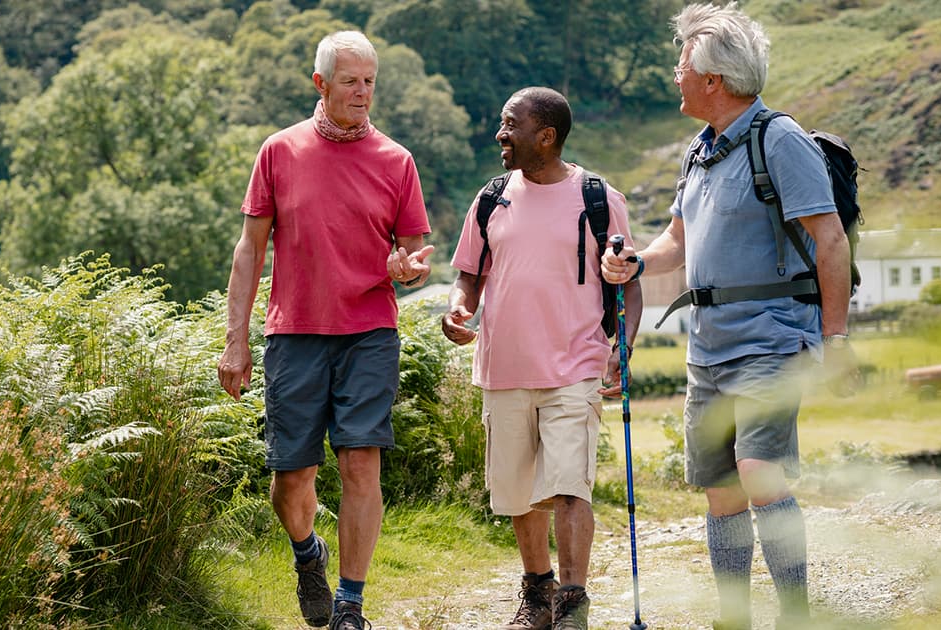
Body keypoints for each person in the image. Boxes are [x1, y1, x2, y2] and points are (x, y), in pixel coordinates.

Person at [601, 4, 858, 629]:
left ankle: (794, 613)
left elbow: (830, 241)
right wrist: (635, 264)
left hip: (772, 338)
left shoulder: (782, 140)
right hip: (708, 345)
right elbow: (676, 243)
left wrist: (837, 338)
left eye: (682, 64)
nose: (675, 73)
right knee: (721, 489)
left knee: (759, 472)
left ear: (713, 79)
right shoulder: (699, 150)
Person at [217, 30, 433, 630]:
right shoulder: (279, 152)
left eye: (369, 82)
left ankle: (351, 605)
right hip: (295, 334)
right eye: (350, 81)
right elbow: (248, 250)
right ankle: (308, 554)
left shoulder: (396, 160)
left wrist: (407, 267)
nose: (362, 93)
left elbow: (417, 254)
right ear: (321, 84)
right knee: (291, 479)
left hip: (369, 332)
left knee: (361, 464)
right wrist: (236, 339)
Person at [443, 86, 642, 630]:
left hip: (574, 366)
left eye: (511, 125)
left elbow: (627, 279)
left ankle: (572, 603)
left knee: (569, 485)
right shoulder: (490, 197)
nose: (500, 134)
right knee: (518, 493)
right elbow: (468, 277)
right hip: (504, 368)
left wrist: (622, 343)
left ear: (546, 136)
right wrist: (458, 310)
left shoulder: (598, 198)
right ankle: (538, 594)